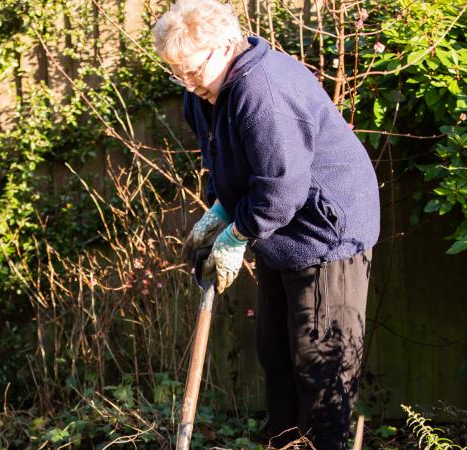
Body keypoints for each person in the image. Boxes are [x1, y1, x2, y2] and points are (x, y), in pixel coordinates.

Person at [153, 1, 380, 448]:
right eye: (175, 72)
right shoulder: (204, 91)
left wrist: (238, 233)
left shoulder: (264, 93)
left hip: (324, 233)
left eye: (192, 70)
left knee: (319, 368)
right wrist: (221, 206)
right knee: (276, 358)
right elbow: (228, 160)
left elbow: (282, 189)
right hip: (280, 233)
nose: (186, 82)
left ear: (225, 48)